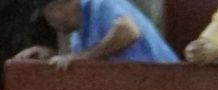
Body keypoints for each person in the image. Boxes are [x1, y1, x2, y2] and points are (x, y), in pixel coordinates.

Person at [14, 0, 179, 67]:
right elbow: (82, 58)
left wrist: (82, 57)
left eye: (49, 12)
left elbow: (129, 31)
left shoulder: (101, 4)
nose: (48, 20)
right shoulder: (78, 33)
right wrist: (50, 56)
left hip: (163, 84)